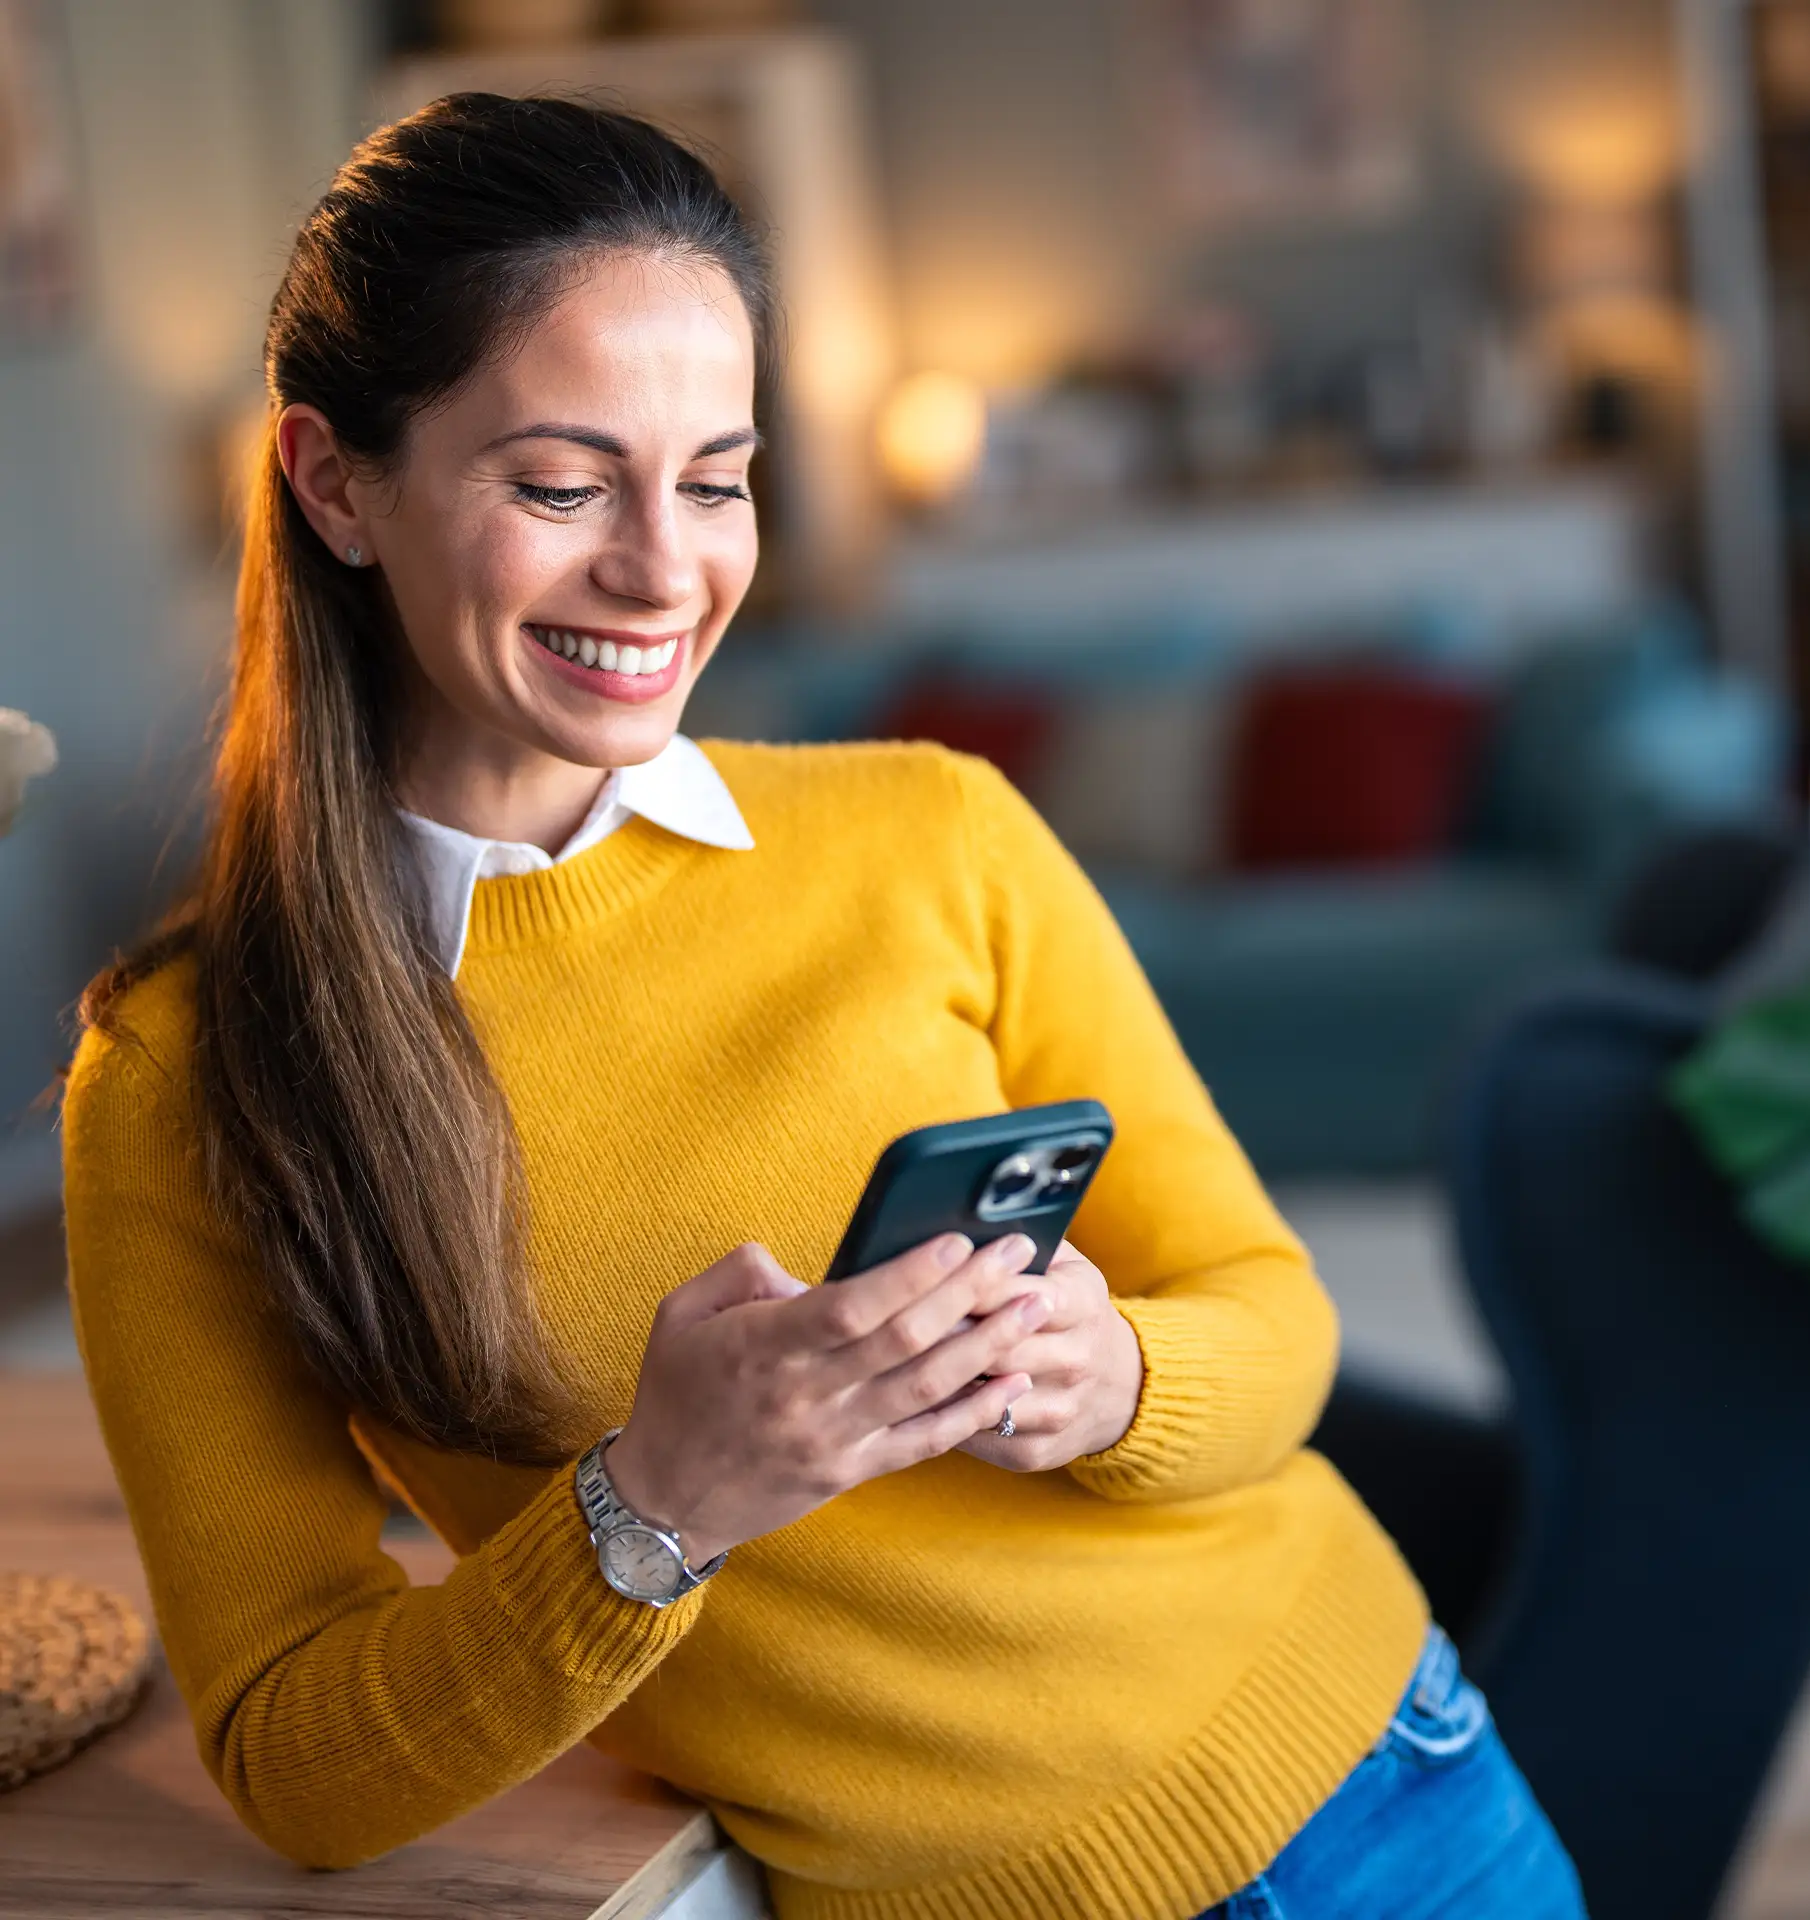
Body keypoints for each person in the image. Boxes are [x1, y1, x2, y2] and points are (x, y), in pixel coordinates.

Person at [62, 94, 1584, 1920]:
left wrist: (1118, 1379)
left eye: (716, 479)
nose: (662, 565)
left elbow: (1276, 1311)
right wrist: (658, 1506)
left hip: (1384, 1778)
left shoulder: (931, 826)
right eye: (561, 483)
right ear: (334, 483)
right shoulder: (182, 1079)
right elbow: (299, 1762)